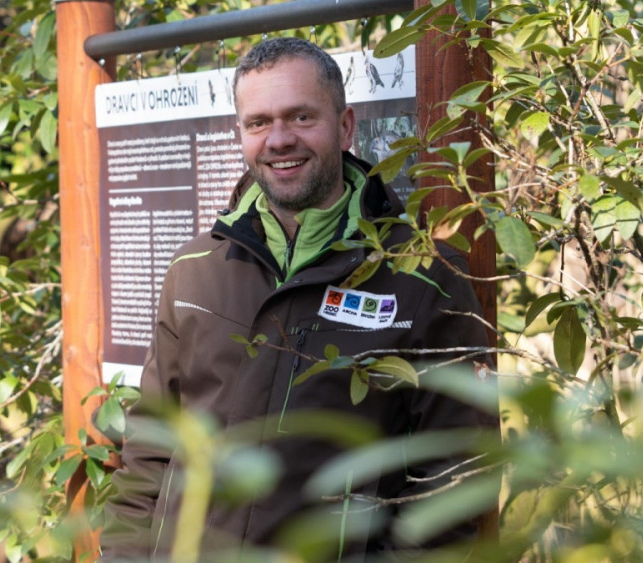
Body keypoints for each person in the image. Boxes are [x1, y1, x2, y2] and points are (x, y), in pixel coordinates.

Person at [100, 37, 496, 561]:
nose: (279, 139)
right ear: (240, 133)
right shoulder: (195, 269)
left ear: (346, 125)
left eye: (301, 117)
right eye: (258, 122)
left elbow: (451, 478)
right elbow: (151, 449)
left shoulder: (422, 279)